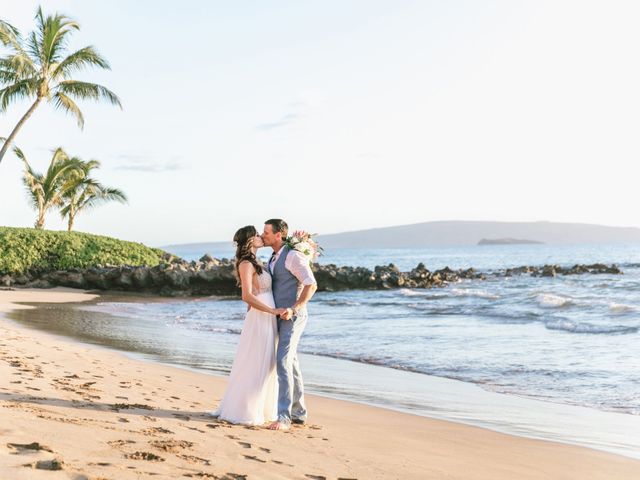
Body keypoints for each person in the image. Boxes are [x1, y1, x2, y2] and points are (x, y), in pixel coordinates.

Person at [209, 225, 286, 425]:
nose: (261, 237)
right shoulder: (246, 263)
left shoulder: (256, 261)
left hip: (264, 316)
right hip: (262, 316)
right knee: (257, 362)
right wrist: (272, 311)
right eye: (257, 235)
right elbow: (246, 296)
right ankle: (245, 410)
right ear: (250, 241)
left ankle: (262, 407)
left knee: (266, 361)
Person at [261, 219, 317, 431]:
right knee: (291, 362)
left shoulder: (293, 256)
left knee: (282, 361)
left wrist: (295, 308)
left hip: (294, 316)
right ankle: (299, 412)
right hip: (280, 316)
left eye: (266, 232)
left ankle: (284, 417)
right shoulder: (274, 256)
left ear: (278, 235)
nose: (262, 235)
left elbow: (311, 284)